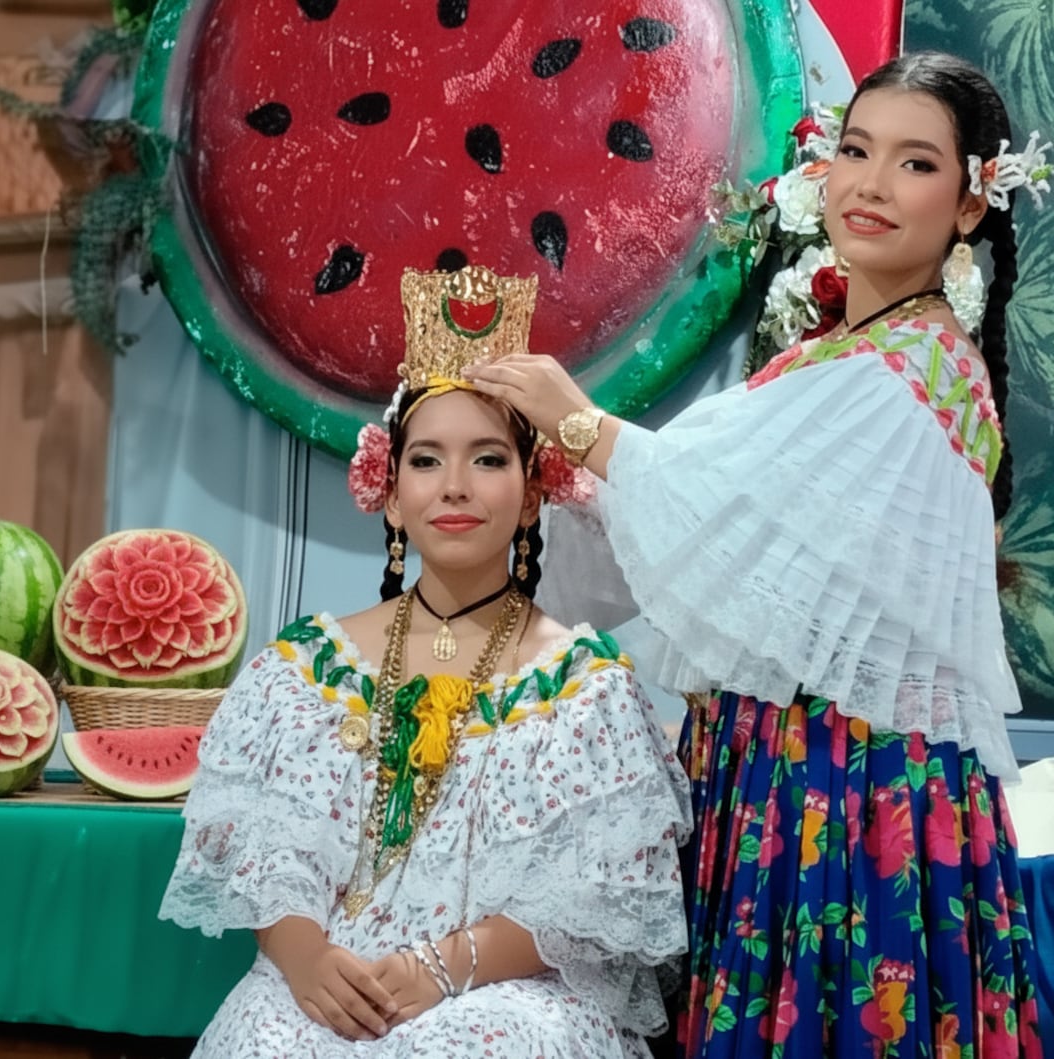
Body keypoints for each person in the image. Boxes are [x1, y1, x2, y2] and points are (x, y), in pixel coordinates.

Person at [467, 52, 1051, 1057]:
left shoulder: (916, 367)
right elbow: (732, 536)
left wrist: (578, 427)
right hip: (782, 772)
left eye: (914, 164)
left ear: (969, 205)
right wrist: (573, 481)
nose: (868, 184)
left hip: (846, 793)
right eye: (856, 150)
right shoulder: (829, 354)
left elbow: (706, 505)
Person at [159, 264, 692, 1059]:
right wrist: (306, 960)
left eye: (487, 458)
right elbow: (270, 853)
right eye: (427, 460)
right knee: (266, 1039)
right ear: (390, 489)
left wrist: (450, 964)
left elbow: (600, 896)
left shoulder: (584, 683)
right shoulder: (305, 669)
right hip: (338, 966)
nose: (455, 486)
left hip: (507, 991)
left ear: (534, 492)